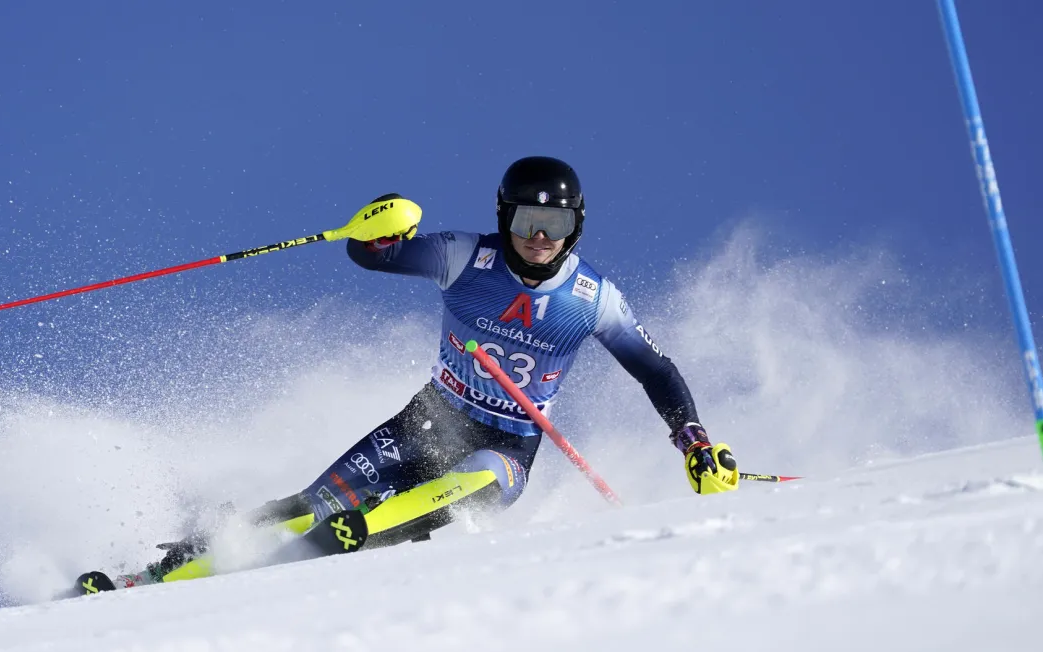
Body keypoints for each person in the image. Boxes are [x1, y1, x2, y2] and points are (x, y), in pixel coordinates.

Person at [92, 156, 739, 593]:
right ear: (502, 216)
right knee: (307, 508)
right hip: (427, 420)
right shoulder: (463, 256)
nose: (539, 238)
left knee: (476, 481)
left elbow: (654, 368)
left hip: (506, 446)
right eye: (525, 221)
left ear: (576, 228)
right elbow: (371, 256)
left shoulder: (594, 298)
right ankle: (152, 577)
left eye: (556, 225)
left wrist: (693, 439)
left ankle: (371, 530)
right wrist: (378, 226)